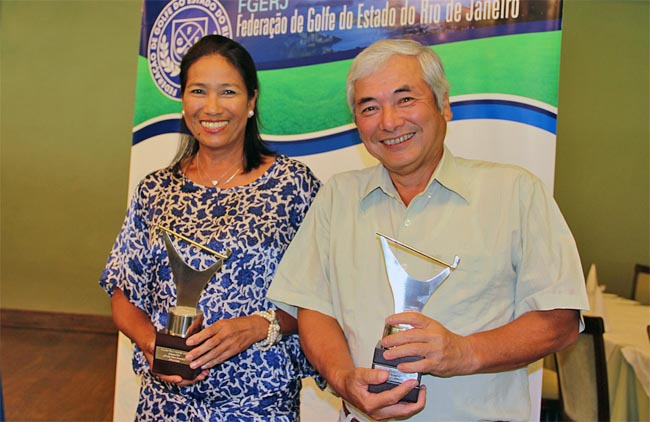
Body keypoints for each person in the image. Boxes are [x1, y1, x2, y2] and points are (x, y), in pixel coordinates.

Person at [267, 39, 589, 421]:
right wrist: (342, 378)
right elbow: (313, 308)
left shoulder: (516, 192)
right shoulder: (338, 196)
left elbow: (560, 322)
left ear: (443, 104)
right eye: (370, 107)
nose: (388, 122)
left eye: (405, 100)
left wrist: (463, 353)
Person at [100, 35, 322, 420]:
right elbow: (123, 292)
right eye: (198, 91)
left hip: (259, 401)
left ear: (251, 101)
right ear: (183, 100)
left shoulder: (294, 186)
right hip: (166, 402)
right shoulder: (155, 189)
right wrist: (152, 344)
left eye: (228, 92)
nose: (213, 107)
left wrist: (257, 326)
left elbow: (324, 296)